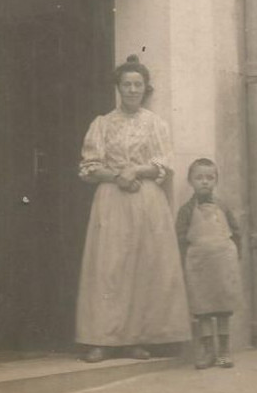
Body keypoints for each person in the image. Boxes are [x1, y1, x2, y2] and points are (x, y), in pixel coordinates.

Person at [75, 54, 190, 363]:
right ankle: (101, 338)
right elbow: (89, 167)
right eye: (126, 84)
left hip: (146, 200)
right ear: (118, 88)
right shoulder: (101, 124)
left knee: (142, 266)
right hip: (112, 199)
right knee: (108, 268)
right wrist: (117, 176)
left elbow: (164, 163)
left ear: (145, 89)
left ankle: (136, 339)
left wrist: (135, 172)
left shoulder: (155, 125)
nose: (132, 90)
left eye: (138, 84)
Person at [175, 158, 242, 369]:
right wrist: (184, 261)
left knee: (222, 308)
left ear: (216, 180)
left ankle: (223, 350)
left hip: (222, 263)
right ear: (190, 181)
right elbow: (180, 237)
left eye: (209, 178)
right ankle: (207, 350)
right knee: (203, 308)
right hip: (198, 265)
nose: (204, 182)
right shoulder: (186, 210)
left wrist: (235, 255)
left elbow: (236, 231)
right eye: (199, 178)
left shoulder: (223, 206)